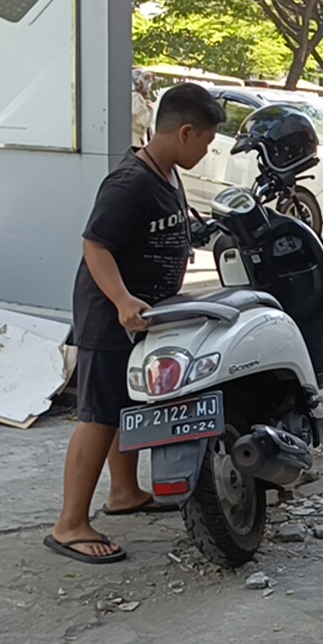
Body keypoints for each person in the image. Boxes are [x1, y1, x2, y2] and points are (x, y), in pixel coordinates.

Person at [45, 83, 226, 564]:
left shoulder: (166, 175)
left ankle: (123, 491)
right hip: (111, 316)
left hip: (143, 315)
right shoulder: (130, 182)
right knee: (100, 416)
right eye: (206, 140)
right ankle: (70, 524)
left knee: (130, 403)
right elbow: (95, 245)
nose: (207, 151)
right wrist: (123, 299)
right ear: (185, 132)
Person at [131, 69, 154, 148]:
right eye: (146, 82)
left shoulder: (132, 96)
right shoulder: (136, 98)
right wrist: (149, 105)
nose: (148, 86)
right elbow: (146, 121)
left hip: (134, 141)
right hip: (135, 143)